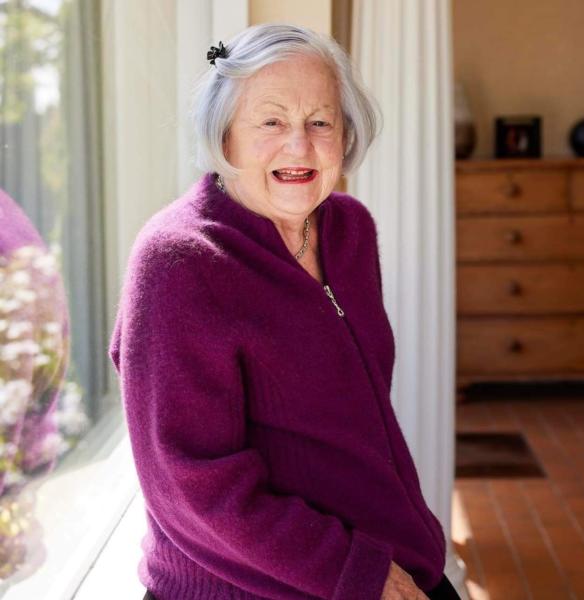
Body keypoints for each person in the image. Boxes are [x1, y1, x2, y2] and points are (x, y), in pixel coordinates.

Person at [109, 23, 461, 600]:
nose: (299, 146)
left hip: (380, 556)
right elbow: (191, 484)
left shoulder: (349, 230)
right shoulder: (179, 261)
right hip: (256, 586)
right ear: (224, 136)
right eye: (271, 122)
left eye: (320, 122)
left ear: (346, 134)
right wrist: (359, 574)